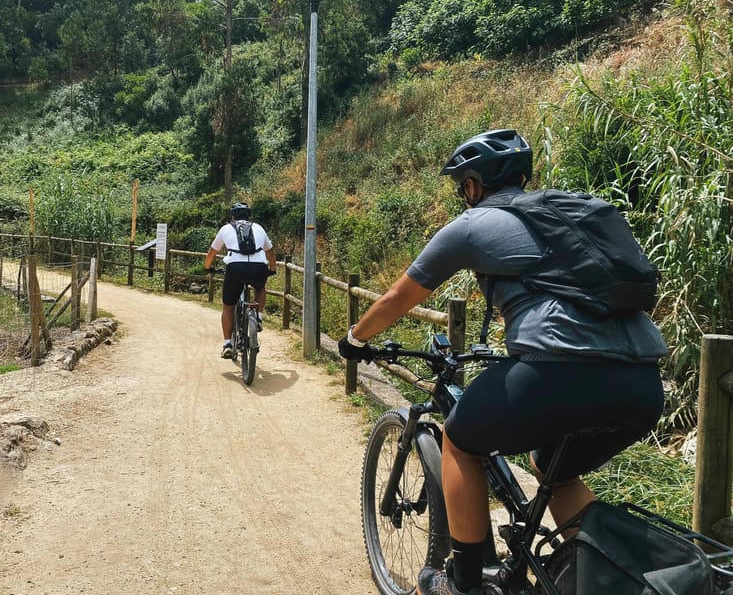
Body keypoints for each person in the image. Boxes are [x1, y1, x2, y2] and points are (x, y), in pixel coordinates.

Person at [337, 129, 667, 595]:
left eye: (462, 187)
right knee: (555, 467)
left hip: (560, 373)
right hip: (642, 384)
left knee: (460, 438)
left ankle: (465, 584)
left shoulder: (473, 225)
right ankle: (610, 580)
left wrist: (354, 339)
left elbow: (399, 296)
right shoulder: (564, 219)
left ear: (473, 185)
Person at [204, 202, 277, 359]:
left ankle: (227, 344)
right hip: (258, 267)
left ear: (232, 216)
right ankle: (258, 316)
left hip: (235, 268)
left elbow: (212, 252)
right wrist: (272, 269)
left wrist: (207, 267)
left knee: (228, 307)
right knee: (260, 288)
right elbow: (270, 251)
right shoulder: (258, 228)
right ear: (249, 216)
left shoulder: (226, 229)